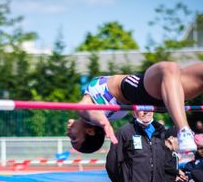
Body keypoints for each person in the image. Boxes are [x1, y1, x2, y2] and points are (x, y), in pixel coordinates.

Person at [67, 61, 203, 154]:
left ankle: (184, 131)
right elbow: (88, 110)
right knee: (168, 67)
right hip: (137, 88)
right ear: (90, 132)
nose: (68, 134)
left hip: (168, 94)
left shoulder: (102, 112)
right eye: (74, 139)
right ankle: (183, 131)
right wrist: (103, 123)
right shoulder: (87, 112)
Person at [105, 110, 179, 182]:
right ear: (134, 113)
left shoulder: (161, 131)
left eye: (149, 108)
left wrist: (172, 177)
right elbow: (112, 163)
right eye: (141, 109)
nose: (146, 112)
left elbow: (165, 161)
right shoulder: (124, 132)